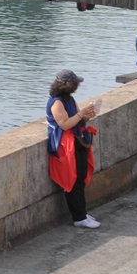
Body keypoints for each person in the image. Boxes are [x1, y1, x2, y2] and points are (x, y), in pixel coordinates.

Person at [47, 68, 100, 228]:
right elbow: (64, 125)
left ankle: (82, 212)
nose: (77, 86)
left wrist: (86, 114)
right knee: (72, 180)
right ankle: (78, 217)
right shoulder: (56, 102)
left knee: (81, 177)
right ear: (67, 84)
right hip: (65, 146)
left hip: (76, 141)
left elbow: (76, 118)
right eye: (75, 83)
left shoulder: (69, 99)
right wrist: (80, 114)